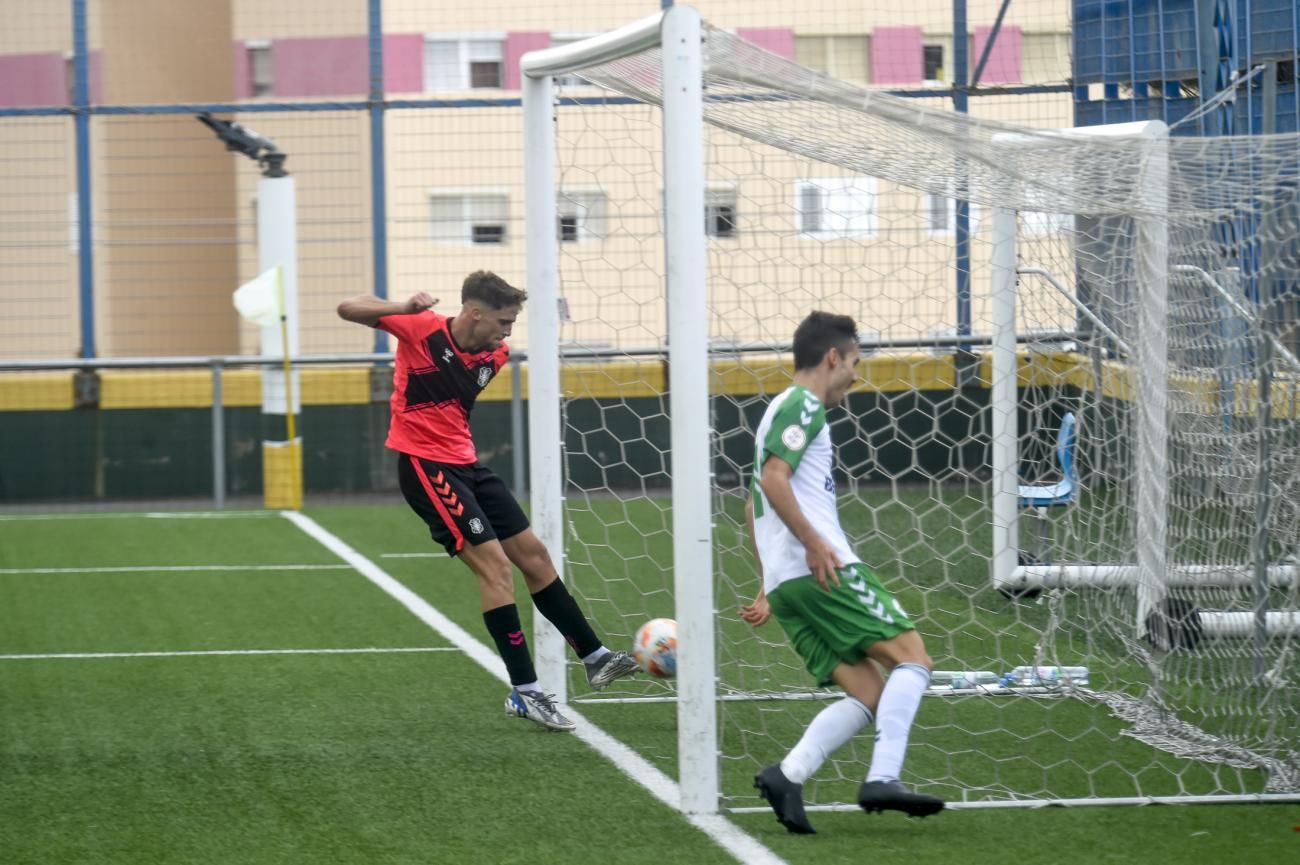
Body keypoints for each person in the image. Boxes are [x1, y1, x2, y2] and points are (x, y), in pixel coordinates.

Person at [337, 271, 638, 732]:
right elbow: (348, 308)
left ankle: (595, 656)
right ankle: (526, 692)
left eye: (512, 321)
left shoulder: (493, 354)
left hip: (469, 465)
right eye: (504, 320)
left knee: (534, 557)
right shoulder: (420, 326)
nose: (508, 331)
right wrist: (401, 306)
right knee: (496, 567)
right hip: (425, 466)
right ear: (474, 312)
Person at [740, 310, 944, 833]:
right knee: (914, 660)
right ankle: (884, 777)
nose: (856, 374)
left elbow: (753, 502)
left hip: (791, 587)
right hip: (825, 570)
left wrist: (769, 582)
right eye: (854, 362)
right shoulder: (804, 405)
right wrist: (814, 545)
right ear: (832, 357)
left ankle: (788, 775)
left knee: (870, 696)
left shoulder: (779, 412)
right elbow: (772, 479)